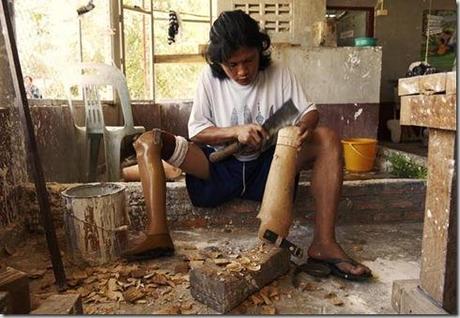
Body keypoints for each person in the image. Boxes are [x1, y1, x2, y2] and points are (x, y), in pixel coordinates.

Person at [122, 10, 371, 281]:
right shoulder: (209, 78)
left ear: (259, 50)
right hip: (216, 167)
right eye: (232, 65)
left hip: (267, 169)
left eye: (248, 61)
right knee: (150, 140)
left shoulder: (279, 72)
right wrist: (236, 132)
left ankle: (324, 244)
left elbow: (308, 111)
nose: (242, 71)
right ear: (219, 62)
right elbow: (197, 131)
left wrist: (301, 129)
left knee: (327, 138)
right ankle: (158, 234)